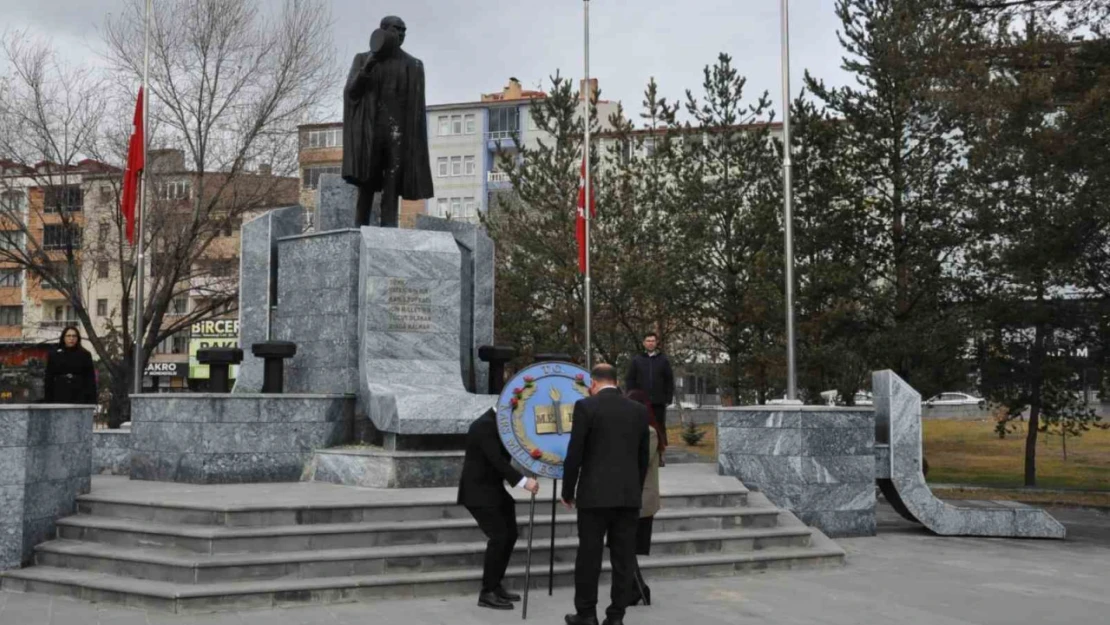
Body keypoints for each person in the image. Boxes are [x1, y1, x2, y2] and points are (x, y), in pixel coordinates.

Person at [562, 364, 650, 625]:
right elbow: (643, 457)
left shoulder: (586, 406)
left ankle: (587, 614)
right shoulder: (638, 410)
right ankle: (616, 617)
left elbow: (574, 453)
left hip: (593, 496)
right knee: (623, 560)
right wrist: (634, 487)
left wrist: (568, 490)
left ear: (594, 382)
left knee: (589, 556)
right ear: (615, 380)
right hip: (627, 497)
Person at [342, 15, 434, 227]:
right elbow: (351, 94)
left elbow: (416, 109)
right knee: (366, 183)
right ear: (382, 30)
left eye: (403, 31)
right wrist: (367, 68)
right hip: (370, 131)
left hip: (399, 135)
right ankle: (359, 227)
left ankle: (389, 229)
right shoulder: (362, 59)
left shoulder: (413, 65)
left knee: (392, 185)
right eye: (396, 29)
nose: (400, 34)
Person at [457, 410, 539, 610]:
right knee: (500, 536)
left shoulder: (502, 424)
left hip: (494, 490)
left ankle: (495, 585)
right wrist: (523, 481)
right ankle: (487, 592)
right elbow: (496, 460)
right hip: (477, 492)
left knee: (510, 534)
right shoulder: (484, 425)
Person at [624, 390, 663, 607]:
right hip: (631, 496)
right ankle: (636, 588)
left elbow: (638, 462)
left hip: (641, 499)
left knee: (626, 546)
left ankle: (640, 589)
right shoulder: (638, 430)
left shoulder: (649, 432)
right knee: (623, 546)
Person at [624, 333, 675, 449]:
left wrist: (668, 398)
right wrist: (630, 397)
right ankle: (641, 449)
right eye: (648, 341)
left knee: (659, 426)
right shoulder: (637, 360)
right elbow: (630, 379)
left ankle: (661, 451)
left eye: (653, 341)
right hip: (641, 402)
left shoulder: (663, 360)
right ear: (644, 343)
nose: (650, 343)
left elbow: (669, 380)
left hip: (658, 401)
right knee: (641, 425)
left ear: (656, 343)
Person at [44, 326, 97, 404]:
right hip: (59, 394)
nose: (71, 338)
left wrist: (91, 400)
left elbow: (90, 378)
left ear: (78, 338)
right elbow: (49, 377)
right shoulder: (55, 355)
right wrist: (48, 400)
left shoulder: (85, 355)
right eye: (68, 336)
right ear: (64, 338)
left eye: (74, 336)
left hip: (80, 395)